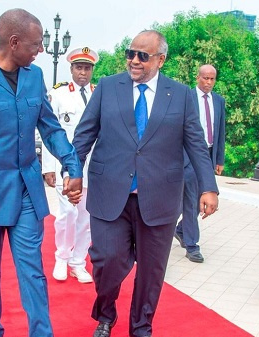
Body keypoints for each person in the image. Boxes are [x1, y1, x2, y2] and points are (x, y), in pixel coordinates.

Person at [73, 30, 219, 337]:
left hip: (160, 197)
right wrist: (72, 169)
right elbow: (85, 133)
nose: (134, 61)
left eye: (143, 55)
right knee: (106, 260)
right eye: (130, 53)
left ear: (161, 59)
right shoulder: (109, 87)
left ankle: (141, 326)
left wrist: (209, 187)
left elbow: (195, 144)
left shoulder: (180, 95)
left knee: (152, 271)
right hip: (110, 192)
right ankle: (106, 313)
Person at [0, 8, 83, 337]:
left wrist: (72, 164)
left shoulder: (34, 76)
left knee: (33, 271)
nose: (40, 50)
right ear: (14, 41)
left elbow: (50, 128)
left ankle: (41, 333)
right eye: (36, 45)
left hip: (25, 190)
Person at [42, 46, 99, 284]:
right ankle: (62, 258)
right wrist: (48, 167)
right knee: (66, 213)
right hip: (65, 166)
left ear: (92, 70)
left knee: (86, 216)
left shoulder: (99, 94)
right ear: (71, 69)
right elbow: (48, 132)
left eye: (87, 68)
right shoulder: (59, 95)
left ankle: (78, 261)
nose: (83, 73)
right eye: (79, 67)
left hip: (93, 168)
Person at [174, 64, 226, 263]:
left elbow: (220, 132)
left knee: (197, 202)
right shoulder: (186, 97)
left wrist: (219, 159)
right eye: (205, 78)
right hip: (187, 157)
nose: (209, 82)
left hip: (207, 158)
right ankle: (192, 245)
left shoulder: (219, 101)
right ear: (198, 77)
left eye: (212, 79)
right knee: (190, 200)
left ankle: (180, 230)